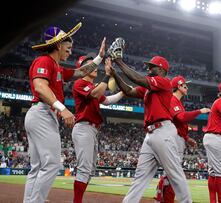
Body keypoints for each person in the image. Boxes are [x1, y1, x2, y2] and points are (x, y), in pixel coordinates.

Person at [24, 23, 104, 203]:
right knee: (52, 164)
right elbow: (40, 87)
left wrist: (99, 57)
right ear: (58, 45)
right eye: (68, 48)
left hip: (40, 114)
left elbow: (82, 71)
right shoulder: (44, 61)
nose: (69, 52)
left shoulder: (56, 67)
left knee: (37, 167)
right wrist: (63, 108)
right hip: (42, 112)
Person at [108, 45, 192, 202]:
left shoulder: (164, 82)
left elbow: (138, 78)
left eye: (151, 67)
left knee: (175, 174)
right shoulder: (149, 87)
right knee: (140, 176)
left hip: (163, 131)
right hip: (151, 135)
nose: (148, 69)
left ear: (161, 70)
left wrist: (119, 61)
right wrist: (114, 73)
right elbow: (129, 90)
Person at [72, 55, 124, 203]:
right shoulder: (79, 83)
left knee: (89, 171)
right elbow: (95, 94)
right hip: (84, 127)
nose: (95, 67)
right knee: (84, 169)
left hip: (92, 130)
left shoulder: (94, 86)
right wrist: (107, 75)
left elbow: (107, 101)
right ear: (83, 69)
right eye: (90, 65)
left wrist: (123, 92)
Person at [154, 75, 210, 203]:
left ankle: (162, 199)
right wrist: (199, 111)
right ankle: (163, 199)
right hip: (172, 139)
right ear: (178, 87)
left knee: (172, 174)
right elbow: (181, 118)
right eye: (184, 85)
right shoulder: (173, 99)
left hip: (177, 138)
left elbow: (179, 124)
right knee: (173, 174)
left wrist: (186, 138)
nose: (187, 87)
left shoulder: (178, 102)